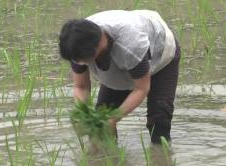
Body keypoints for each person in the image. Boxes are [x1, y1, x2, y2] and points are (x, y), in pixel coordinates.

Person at [59, 10, 180, 143]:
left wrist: (114, 118)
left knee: (159, 116)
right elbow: (81, 87)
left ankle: (162, 159)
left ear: (98, 45)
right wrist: (83, 113)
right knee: (100, 123)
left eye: (85, 60)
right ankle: (107, 160)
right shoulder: (76, 45)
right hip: (123, 58)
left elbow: (141, 88)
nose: (82, 63)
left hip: (161, 56)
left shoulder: (130, 45)